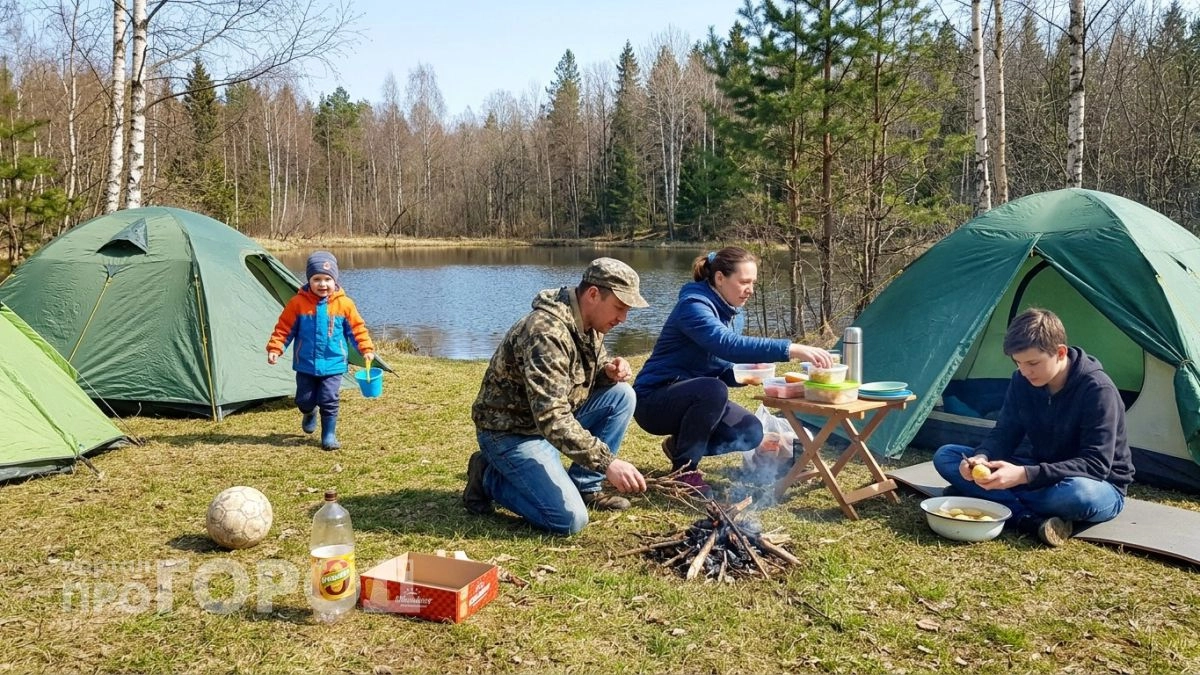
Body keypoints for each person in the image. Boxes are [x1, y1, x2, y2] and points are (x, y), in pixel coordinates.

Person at [464, 258, 650, 535]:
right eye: (620, 307)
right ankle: (488, 477)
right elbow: (552, 417)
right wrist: (607, 462)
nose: (623, 318)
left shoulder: (589, 322)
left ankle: (585, 485)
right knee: (569, 520)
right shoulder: (545, 332)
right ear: (593, 294)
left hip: (543, 425)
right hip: (511, 432)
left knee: (621, 395)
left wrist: (606, 372)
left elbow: (573, 375)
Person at [633, 247, 833, 496]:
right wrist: (791, 348)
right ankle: (685, 472)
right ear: (719, 278)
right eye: (744, 282)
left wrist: (744, 374)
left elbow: (721, 363)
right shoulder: (693, 306)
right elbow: (727, 345)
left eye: (753, 283)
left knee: (750, 432)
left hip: (693, 396)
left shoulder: (731, 313)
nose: (750, 289)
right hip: (653, 400)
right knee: (712, 389)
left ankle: (679, 446)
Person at [932, 308, 1134, 547]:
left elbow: (1096, 464)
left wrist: (1023, 476)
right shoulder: (1022, 381)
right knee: (947, 456)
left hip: (1095, 484)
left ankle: (985, 497)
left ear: (1060, 352)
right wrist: (981, 458)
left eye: (1033, 363)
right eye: (1018, 363)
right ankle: (1026, 519)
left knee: (1078, 496)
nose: (1025, 371)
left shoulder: (1098, 390)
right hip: (1040, 473)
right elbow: (1005, 433)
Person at [267, 251, 375, 451]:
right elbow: (284, 329)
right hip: (305, 363)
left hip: (334, 364)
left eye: (327, 279)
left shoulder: (345, 304)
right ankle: (309, 412)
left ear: (335, 280)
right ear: (309, 280)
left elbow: (357, 329)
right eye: (317, 279)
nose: (323, 284)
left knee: (329, 398)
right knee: (304, 400)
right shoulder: (297, 304)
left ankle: (328, 434)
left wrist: (366, 349)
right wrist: (276, 348)